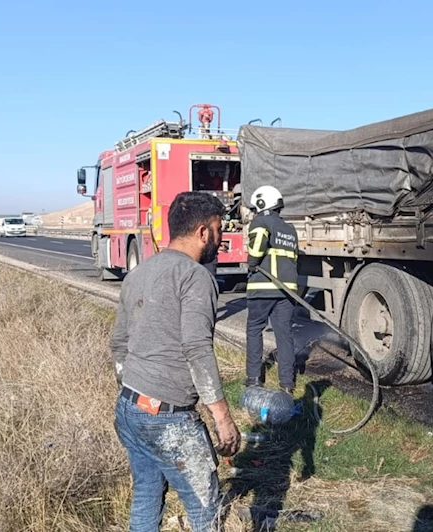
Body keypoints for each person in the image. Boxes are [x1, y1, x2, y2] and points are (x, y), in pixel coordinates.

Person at [110, 191, 240, 532]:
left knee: (146, 494)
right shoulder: (196, 277)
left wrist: (133, 394)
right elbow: (197, 349)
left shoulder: (138, 272)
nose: (221, 237)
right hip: (167, 419)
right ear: (202, 232)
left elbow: (119, 345)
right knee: (205, 511)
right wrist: (223, 418)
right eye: (218, 228)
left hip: (128, 409)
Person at [244, 185, 299, 395]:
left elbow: (257, 246)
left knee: (254, 330)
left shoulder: (260, 222)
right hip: (287, 291)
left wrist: (251, 262)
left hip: (262, 288)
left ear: (261, 203)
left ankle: (254, 378)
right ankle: (287, 383)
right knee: (284, 334)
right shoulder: (290, 229)